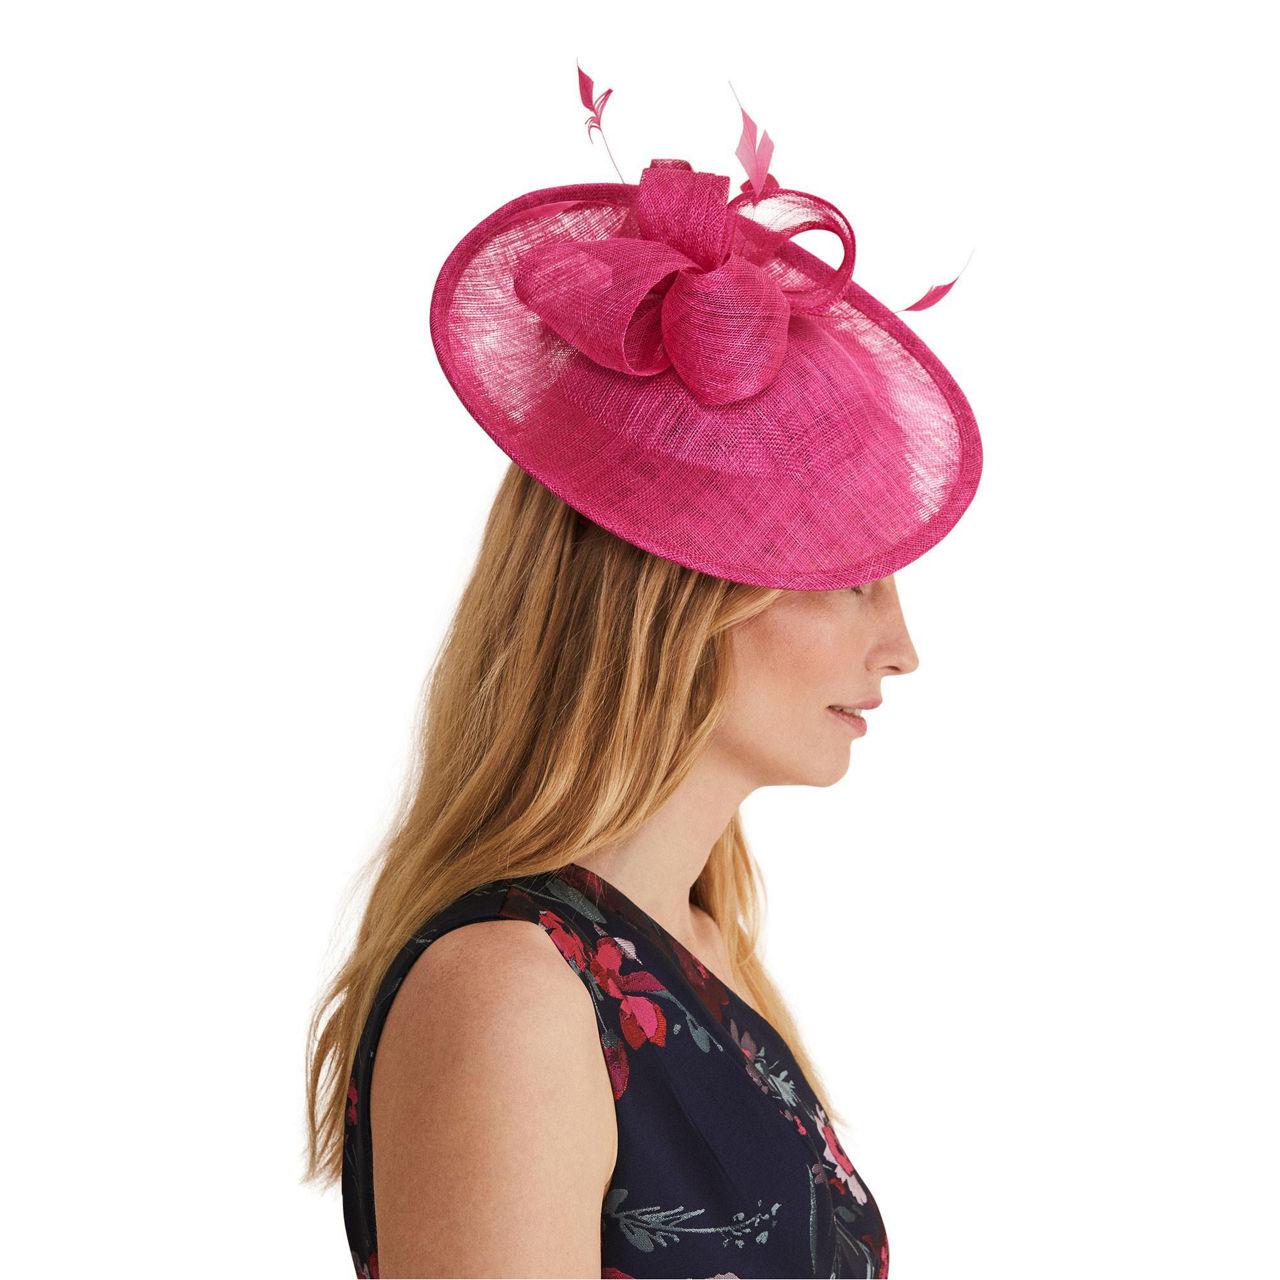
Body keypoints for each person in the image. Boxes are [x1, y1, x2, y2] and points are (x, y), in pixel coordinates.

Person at [303, 78, 981, 1280]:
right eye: (849, 579)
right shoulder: (511, 992)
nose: (900, 646)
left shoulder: (700, 949)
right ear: (678, 597)